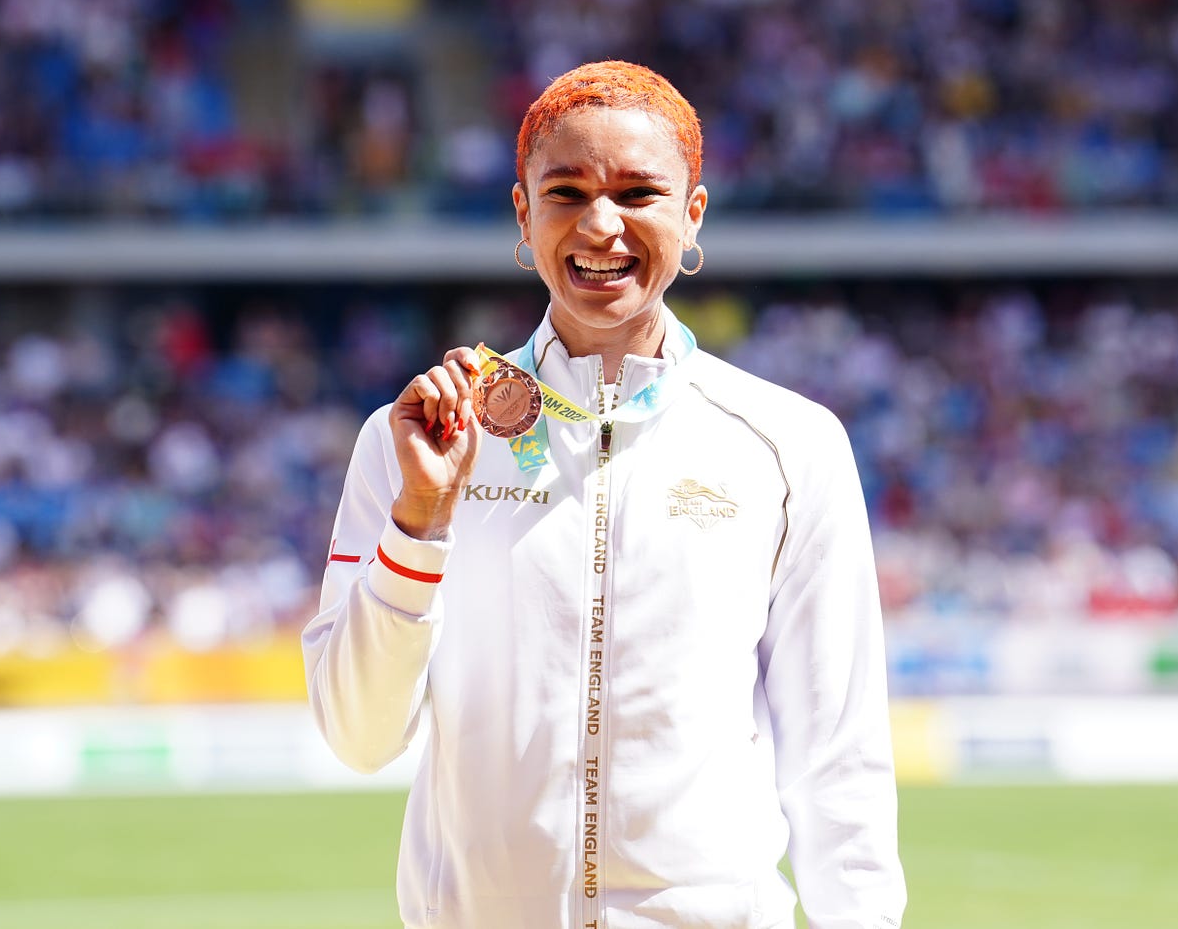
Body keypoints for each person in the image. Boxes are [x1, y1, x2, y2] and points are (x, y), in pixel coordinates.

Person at [302, 60, 906, 929]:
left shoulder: (790, 444)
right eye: (567, 191)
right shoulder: (416, 441)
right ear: (523, 215)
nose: (601, 224)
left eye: (638, 192)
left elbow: (838, 756)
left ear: (693, 214)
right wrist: (420, 526)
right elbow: (358, 736)